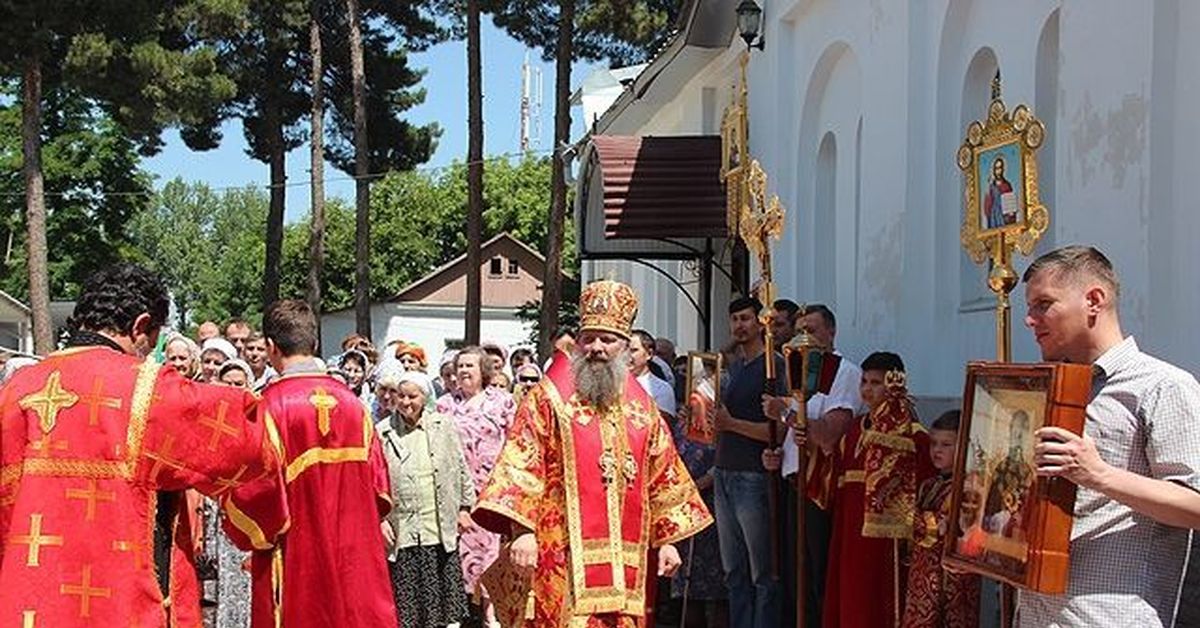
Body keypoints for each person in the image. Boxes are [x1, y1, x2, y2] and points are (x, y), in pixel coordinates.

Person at [0, 263, 277, 626]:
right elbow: (247, 442)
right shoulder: (147, 389)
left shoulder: (15, 390)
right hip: (120, 607)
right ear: (140, 326)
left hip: (26, 606)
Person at [473, 279, 712, 627]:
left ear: (626, 346)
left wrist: (669, 541)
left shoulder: (643, 409)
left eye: (608, 339)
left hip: (626, 558)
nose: (597, 347)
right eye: (589, 338)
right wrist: (521, 529)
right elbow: (521, 462)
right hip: (559, 551)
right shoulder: (548, 398)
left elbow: (664, 475)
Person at [1018, 245, 1200, 627]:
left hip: (1109, 617)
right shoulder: (1046, 387)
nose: (1029, 320)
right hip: (1037, 612)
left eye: (1043, 304)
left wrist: (1097, 473)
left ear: (1094, 300)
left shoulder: (1162, 387)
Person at [224, 299, 396, 627]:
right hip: (354, 557)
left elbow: (253, 500)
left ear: (271, 348)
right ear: (314, 343)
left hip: (297, 560)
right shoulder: (355, 407)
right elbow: (380, 492)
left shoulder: (268, 409)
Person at [801, 352, 934, 628]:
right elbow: (831, 473)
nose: (867, 389)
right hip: (848, 531)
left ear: (895, 383)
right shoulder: (853, 432)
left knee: (880, 601)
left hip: (888, 543)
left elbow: (926, 492)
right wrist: (809, 445)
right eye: (864, 382)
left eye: (876, 382)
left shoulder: (913, 436)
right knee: (849, 597)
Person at [766, 303, 861, 626]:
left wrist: (784, 413)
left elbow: (828, 436)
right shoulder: (800, 372)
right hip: (793, 482)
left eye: (814, 330)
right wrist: (778, 452)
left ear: (831, 332)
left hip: (819, 486)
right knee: (795, 577)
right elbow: (795, 434)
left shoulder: (843, 372)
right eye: (801, 331)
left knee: (817, 574)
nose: (806, 338)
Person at [378, 371, 475, 628]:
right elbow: (373, 481)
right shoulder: (383, 432)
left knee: (442, 609)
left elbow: (461, 468)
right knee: (407, 609)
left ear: (425, 397)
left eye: (413, 396)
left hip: (437, 527)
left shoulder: (443, 425)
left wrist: (465, 508)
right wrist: (380, 519)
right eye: (401, 396)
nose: (406, 402)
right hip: (403, 529)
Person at [711, 297, 786, 628]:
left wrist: (731, 425)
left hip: (753, 475)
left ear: (760, 322)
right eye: (734, 319)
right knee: (733, 571)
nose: (739, 325)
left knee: (762, 571)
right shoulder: (733, 366)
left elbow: (779, 430)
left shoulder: (775, 366)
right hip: (725, 472)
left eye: (745, 318)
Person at [436, 346, 516, 626]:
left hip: (491, 490)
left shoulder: (502, 402)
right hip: (456, 490)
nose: (464, 371)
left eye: (470, 365)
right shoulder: (445, 404)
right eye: (460, 366)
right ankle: (455, 611)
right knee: (455, 551)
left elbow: (515, 443)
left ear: (483, 370)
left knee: (491, 552)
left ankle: (491, 613)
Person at [902, 410, 981, 628]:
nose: (936, 450)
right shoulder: (928, 485)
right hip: (921, 574)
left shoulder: (969, 486)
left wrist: (903, 514)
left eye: (946, 445)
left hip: (951, 581)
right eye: (933, 443)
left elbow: (944, 527)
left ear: (964, 446)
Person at [631, 329, 677, 417]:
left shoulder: (661, 388)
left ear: (649, 354)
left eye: (633, 350)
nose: (627, 355)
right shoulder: (615, 384)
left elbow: (663, 425)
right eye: (624, 350)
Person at [983, 156, 1015, 230]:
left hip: (1003, 214)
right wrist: (988, 188)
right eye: (996, 168)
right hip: (993, 215)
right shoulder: (991, 186)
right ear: (994, 170)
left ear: (1003, 169)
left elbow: (1010, 203)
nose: (998, 171)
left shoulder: (1007, 185)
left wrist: (1011, 214)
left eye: (1000, 168)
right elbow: (986, 206)